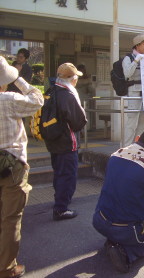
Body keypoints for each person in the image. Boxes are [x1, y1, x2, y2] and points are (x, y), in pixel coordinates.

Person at [93, 128, 144, 273]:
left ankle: (112, 240)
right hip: (127, 229)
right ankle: (125, 253)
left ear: (138, 138)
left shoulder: (115, 155)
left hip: (99, 219)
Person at [0, 56, 43, 278]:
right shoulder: (8, 99)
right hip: (11, 164)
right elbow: (38, 100)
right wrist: (20, 79)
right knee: (10, 218)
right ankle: (6, 268)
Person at [43, 63, 87, 221]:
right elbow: (78, 122)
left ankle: (59, 200)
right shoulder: (68, 95)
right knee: (67, 175)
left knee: (59, 173)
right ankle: (61, 209)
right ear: (72, 78)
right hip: (67, 142)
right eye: (76, 77)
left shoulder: (51, 90)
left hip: (53, 140)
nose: (76, 80)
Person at [122, 34, 144, 147]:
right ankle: (126, 147)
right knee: (132, 121)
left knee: (143, 120)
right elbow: (127, 74)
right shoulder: (128, 58)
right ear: (137, 45)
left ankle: (138, 146)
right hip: (134, 91)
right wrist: (136, 61)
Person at [76, 64, 95, 130]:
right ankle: (81, 131)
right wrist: (88, 80)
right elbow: (78, 83)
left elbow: (92, 89)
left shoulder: (86, 80)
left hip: (84, 101)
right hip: (77, 101)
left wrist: (89, 83)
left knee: (84, 117)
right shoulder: (75, 79)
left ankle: (84, 131)